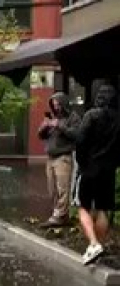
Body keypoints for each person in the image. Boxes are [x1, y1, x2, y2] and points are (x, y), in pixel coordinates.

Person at [70, 81, 120, 265]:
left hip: (90, 167)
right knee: (102, 209)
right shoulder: (118, 119)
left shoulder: (91, 115)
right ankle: (97, 245)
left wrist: (83, 163)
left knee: (83, 207)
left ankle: (93, 244)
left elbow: (81, 140)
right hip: (108, 170)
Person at [37, 92, 81, 227]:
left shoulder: (73, 118)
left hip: (63, 156)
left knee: (63, 187)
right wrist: (44, 127)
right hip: (50, 157)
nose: (56, 107)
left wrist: (59, 126)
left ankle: (59, 216)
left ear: (63, 104)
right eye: (54, 105)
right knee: (52, 189)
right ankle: (60, 214)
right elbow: (41, 136)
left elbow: (76, 134)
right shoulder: (52, 117)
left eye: (58, 105)